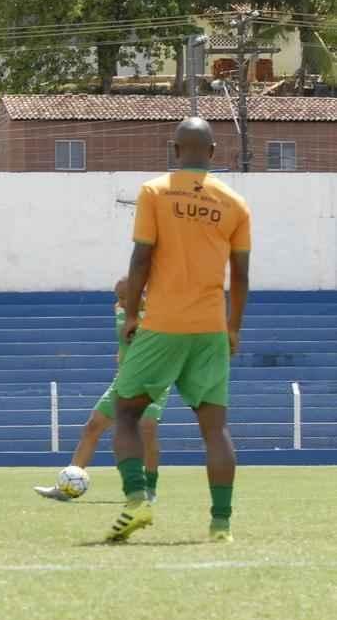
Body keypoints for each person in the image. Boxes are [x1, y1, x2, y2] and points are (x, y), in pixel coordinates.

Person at [106, 117, 251, 544]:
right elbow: (240, 276)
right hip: (210, 328)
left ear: (174, 150)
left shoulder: (154, 191)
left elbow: (140, 259)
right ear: (212, 152)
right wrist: (234, 328)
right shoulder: (235, 203)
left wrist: (131, 314)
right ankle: (221, 524)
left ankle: (136, 501)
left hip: (164, 323)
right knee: (215, 427)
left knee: (127, 411)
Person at [33, 278, 167, 503]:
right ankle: (65, 487)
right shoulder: (120, 310)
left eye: (126, 297)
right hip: (123, 380)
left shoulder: (161, 315)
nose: (121, 302)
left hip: (152, 382)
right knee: (93, 427)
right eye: (118, 297)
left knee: (147, 431)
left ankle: (150, 489)